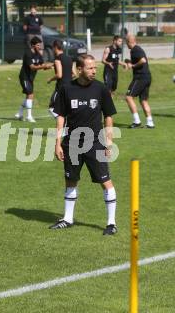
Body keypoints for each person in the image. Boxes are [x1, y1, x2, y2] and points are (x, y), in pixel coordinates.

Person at [50, 54, 118, 235]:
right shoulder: (66, 89)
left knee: (105, 182)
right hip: (71, 143)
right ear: (79, 69)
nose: (94, 71)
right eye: (90, 68)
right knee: (70, 180)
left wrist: (108, 142)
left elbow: (108, 116)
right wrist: (57, 143)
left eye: (95, 67)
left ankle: (111, 223)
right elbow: (61, 117)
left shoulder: (101, 89)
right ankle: (68, 218)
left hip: (95, 143)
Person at [15, 36, 52, 122]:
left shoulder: (38, 54)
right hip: (24, 77)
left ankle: (20, 113)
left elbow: (42, 65)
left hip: (30, 78)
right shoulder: (28, 54)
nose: (40, 47)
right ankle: (29, 116)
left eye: (40, 45)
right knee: (30, 95)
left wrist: (49, 66)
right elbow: (32, 67)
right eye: (38, 45)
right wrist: (43, 66)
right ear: (33, 45)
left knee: (29, 96)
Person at [124, 35, 155, 129]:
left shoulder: (135, 49)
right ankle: (150, 123)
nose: (126, 45)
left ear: (130, 41)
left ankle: (136, 121)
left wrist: (132, 66)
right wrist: (129, 61)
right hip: (147, 77)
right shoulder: (137, 49)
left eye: (126, 43)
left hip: (140, 77)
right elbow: (139, 60)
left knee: (128, 97)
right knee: (143, 100)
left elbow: (143, 60)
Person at [47, 39, 74, 118]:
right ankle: (66, 124)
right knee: (65, 108)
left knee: (51, 107)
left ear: (55, 47)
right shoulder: (69, 58)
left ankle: (63, 122)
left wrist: (50, 79)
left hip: (61, 87)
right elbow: (74, 74)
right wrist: (67, 77)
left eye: (52, 48)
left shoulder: (57, 59)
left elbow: (59, 75)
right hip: (70, 86)